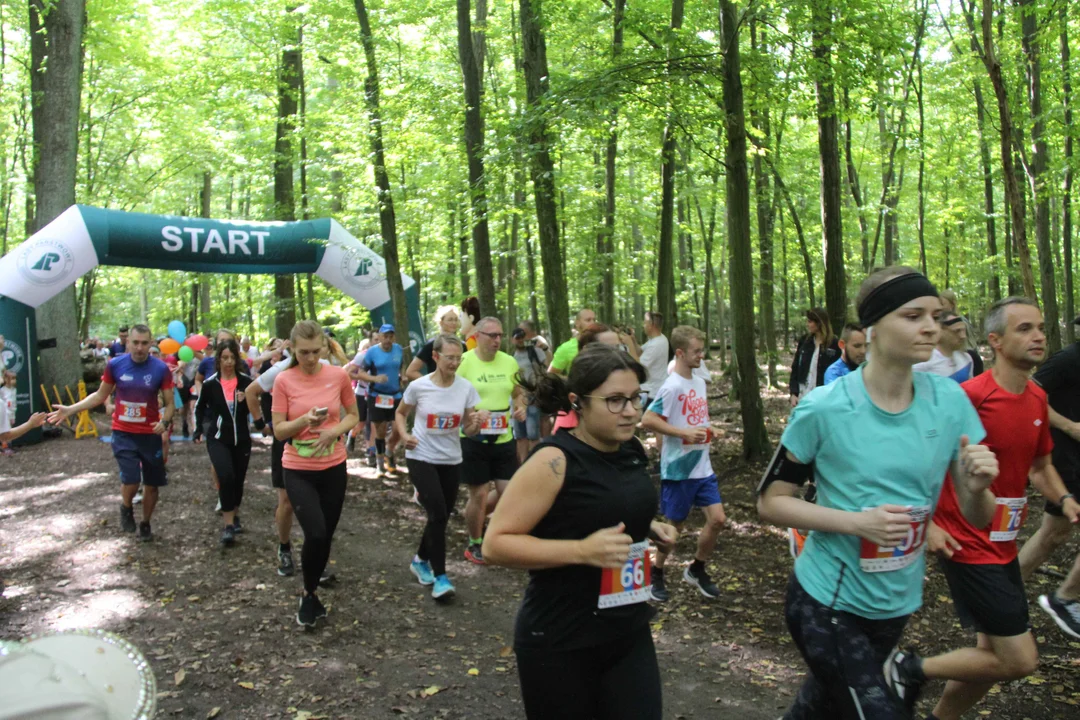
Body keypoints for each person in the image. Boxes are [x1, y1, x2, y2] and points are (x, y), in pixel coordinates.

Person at [757, 267, 999, 718]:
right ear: (872, 327)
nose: (930, 326)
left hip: (895, 601)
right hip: (826, 599)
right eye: (912, 315)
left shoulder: (949, 401)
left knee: (820, 706)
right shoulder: (824, 407)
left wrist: (979, 487)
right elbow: (771, 500)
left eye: (936, 315)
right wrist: (857, 523)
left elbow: (979, 516)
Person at [483, 344, 677, 720]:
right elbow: (495, 544)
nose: (631, 411)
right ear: (578, 403)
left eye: (636, 398)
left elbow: (602, 502)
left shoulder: (630, 449)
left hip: (627, 631)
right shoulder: (553, 460)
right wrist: (582, 550)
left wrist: (647, 525)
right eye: (615, 400)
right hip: (561, 639)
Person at [919, 297, 1080, 719]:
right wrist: (930, 524)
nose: (1039, 336)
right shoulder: (969, 396)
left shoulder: (1036, 398)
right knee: (1020, 659)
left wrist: (1064, 499)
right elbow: (926, 462)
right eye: (1024, 328)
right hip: (966, 539)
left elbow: (1041, 466)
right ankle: (905, 669)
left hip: (1003, 540)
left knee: (989, 659)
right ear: (995, 341)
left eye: (1041, 327)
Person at [49, 325, 176, 541]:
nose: (139, 347)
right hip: (123, 432)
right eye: (135, 342)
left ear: (151, 343)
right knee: (132, 478)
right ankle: (126, 507)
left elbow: (171, 404)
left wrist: (164, 421)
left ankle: (145, 523)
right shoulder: (116, 365)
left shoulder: (160, 369)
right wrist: (71, 409)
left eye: (144, 343)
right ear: (128, 343)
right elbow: (99, 396)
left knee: (152, 485)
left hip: (150, 434)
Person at [271, 320, 359, 627]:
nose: (310, 358)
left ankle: (311, 591)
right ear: (293, 350)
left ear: (324, 347)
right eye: (304, 352)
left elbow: (354, 416)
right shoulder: (284, 380)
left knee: (326, 536)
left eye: (316, 351)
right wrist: (304, 422)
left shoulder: (337, 376)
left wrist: (332, 430)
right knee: (316, 532)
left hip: (334, 466)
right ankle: (308, 594)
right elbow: (280, 431)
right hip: (297, 468)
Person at [394, 334, 483, 600]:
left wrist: (475, 425)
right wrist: (405, 435)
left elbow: (468, 427)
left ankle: (420, 559)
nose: (455, 363)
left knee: (439, 516)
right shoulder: (419, 387)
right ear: (435, 357)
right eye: (450, 358)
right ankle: (441, 577)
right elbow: (400, 413)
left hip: (450, 459)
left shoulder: (465, 388)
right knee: (438, 513)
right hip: (421, 456)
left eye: (458, 358)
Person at [641, 326, 724, 601]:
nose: (702, 355)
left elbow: (695, 417)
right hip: (679, 470)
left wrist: (710, 428)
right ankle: (657, 572)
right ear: (680, 353)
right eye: (697, 351)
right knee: (673, 530)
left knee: (718, 520)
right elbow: (649, 420)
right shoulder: (671, 386)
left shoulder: (698, 382)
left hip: (703, 467)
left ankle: (697, 569)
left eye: (702, 350)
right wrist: (683, 434)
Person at [1019, 314, 1080, 638]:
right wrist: (1069, 426)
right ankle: (1063, 597)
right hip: (1065, 459)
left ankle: (1006, 595)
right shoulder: (1068, 359)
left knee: (1052, 535)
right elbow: (1032, 392)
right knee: (1053, 534)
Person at [457, 317, 529, 564]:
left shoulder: (509, 362)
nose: (497, 340)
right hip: (473, 436)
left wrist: (520, 408)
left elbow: (519, 394)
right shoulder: (465, 362)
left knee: (508, 493)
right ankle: (475, 543)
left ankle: (497, 536)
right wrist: (472, 413)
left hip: (503, 437)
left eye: (500, 335)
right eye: (492, 335)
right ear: (478, 336)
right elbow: (450, 393)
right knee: (478, 493)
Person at [193, 339, 254, 547]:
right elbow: (200, 408)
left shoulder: (246, 383)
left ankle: (235, 516)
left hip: (242, 440)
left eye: (232, 358)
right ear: (218, 359)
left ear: (237, 359)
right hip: (218, 438)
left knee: (237, 480)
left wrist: (247, 400)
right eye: (224, 357)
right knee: (225, 476)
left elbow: (256, 408)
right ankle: (228, 526)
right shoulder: (211, 384)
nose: (228, 362)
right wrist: (198, 428)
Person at [355, 324, 405, 476]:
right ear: (380, 337)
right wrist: (375, 378)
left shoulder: (398, 350)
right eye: (385, 336)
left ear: (393, 337)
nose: (388, 339)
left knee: (398, 430)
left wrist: (402, 376)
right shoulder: (372, 352)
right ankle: (380, 463)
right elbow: (361, 373)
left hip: (396, 395)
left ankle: (390, 451)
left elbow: (401, 366)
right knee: (381, 431)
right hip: (377, 396)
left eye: (390, 336)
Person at [510, 327, 549, 462]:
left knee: (533, 433)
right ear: (512, 339)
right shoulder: (510, 357)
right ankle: (522, 464)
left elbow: (549, 364)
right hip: (516, 396)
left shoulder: (535, 352)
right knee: (520, 435)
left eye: (522, 337)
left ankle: (534, 463)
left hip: (533, 395)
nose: (520, 340)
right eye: (517, 338)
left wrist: (544, 348)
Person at [789, 308, 840, 406]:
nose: (808, 324)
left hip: (824, 397)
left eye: (810, 321)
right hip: (803, 395)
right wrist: (793, 393)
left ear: (819, 323)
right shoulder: (805, 341)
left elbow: (838, 372)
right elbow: (795, 368)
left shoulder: (834, 344)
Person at [913, 311, 975, 383]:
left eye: (964, 331)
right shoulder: (924, 363)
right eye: (957, 331)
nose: (963, 336)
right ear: (940, 331)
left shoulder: (966, 358)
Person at [406, 305, 461, 381]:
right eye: (450, 320)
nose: (454, 323)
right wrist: (431, 384)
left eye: (456, 320)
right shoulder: (431, 344)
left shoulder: (462, 345)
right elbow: (411, 371)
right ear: (441, 322)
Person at [626, 311, 670, 404]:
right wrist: (633, 340)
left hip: (652, 392)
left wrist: (629, 343)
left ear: (651, 325)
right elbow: (640, 352)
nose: (643, 325)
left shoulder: (656, 344)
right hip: (653, 389)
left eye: (645, 323)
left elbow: (638, 365)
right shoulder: (658, 339)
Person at [346, 337, 375, 464]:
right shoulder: (360, 356)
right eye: (367, 346)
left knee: (371, 422)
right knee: (362, 422)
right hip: (361, 392)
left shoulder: (383, 355)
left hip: (376, 393)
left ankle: (371, 451)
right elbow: (348, 372)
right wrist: (362, 377)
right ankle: (352, 435)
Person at [548, 308, 597, 375]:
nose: (593, 323)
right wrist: (571, 381)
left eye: (594, 320)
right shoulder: (566, 348)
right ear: (577, 323)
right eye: (588, 320)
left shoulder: (603, 342)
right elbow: (551, 375)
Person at [1, 370, 18, 456]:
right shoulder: (2, 390)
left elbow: (14, 403)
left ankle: (9, 445)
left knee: (10, 429)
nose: (14, 381)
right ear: (6, 379)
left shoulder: (14, 390)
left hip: (12, 413)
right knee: (5, 430)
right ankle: (5, 447)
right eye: (12, 378)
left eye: (15, 378)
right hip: (5, 414)